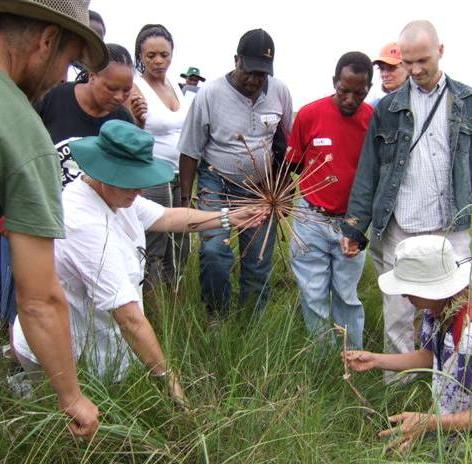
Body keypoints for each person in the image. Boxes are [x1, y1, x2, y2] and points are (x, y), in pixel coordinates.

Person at [12, 120, 267, 400]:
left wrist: (229, 216)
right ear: (103, 173)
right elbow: (129, 318)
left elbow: (169, 217)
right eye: (132, 183)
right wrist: (169, 380)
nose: (140, 192)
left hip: (96, 341)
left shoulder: (115, 196)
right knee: (71, 424)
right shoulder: (84, 223)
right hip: (66, 354)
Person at [341, 20, 472, 381]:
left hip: (452, 227)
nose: (415, 70)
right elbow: (369, 169)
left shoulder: (466, 101)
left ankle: (456, 388)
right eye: (408, 62)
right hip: (401, 225)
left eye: (422, 61)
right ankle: (398, 388)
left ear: (440, 51)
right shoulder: (388, 107)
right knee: (399, 312)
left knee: (458, 310)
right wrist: (355, 226)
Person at [0, 0, 108, 437]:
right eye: (69, 62)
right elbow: (40, 299)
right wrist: (71, 396)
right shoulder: (22, 131)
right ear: (46, 40)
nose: (64, 78)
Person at [179, 28, 292, 318]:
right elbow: (190, 151)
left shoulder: (280, 92)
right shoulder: (210, 95)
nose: (255, 80)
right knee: (215, 251)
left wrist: (283, 188)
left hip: (261, 187)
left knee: (258, 257)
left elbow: (285, 143)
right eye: (250, 71)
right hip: (216, 182)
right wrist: (184, 199)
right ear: (236, 60)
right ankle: (217, 315)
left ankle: (251, 322)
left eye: (262, 74)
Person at [344, 235, 472, 452]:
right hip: (451, 426)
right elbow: (430, 356)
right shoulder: (437, 312)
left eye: (409, 288)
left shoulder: (468, 333)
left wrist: (429, 423)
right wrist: (375, 360)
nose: (403, 294)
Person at [287, 52, 373, 349]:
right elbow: (294, 164)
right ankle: (322, 361)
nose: (350, 99)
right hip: (310, 218)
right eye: (343, 91)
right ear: (334, 82)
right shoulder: (310, 114)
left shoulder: (371, 122)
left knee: (346, 295)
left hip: (350, 222)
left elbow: (373, 174)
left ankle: (354, 359)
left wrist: (357, 227)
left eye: (358, 93)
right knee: (313, 294)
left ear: (368, 89)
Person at [129, 24, 191, 288]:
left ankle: (174, 298)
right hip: (152, 174)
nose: (158, 61)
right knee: (155, 242)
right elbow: (130, 132)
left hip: (180, 175)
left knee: (181, 241)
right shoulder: (135, 86)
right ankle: (151, 304)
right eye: (150, 55)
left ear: (172, 55)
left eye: (164, 55)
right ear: (140, 56)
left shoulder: (177, 87)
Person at [37, 43, 134, 188]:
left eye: (126, 90)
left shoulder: (123, 120)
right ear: (92, 76)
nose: (119, 97)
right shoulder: (52, 98)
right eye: (111, 88)